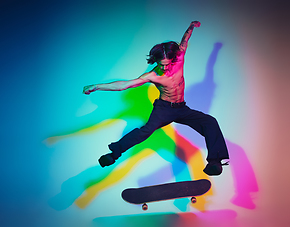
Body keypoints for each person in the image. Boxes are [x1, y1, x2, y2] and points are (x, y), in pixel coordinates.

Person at [83, 21, 229, 176]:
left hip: (181, 108)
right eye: (161, 64)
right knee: (145, 131)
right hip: (164, 109)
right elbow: (124, 85)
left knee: (209, 122)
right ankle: (113, 155)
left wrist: (191, 27)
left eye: (166, 64)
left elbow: (185, 41)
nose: (164, 68)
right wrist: (97, 86)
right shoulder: (152, 75)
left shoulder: (179, 59)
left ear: (173, 59)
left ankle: (214, 162)